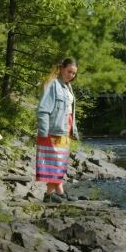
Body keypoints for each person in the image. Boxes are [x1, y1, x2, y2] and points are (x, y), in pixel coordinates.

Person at [36, 58, 79, 203]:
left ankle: (54, 193)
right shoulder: (53, 84)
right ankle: (53, 193)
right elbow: (43, 110)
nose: (71, 75)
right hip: (53, 129)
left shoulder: (67, 86)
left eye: (73, 73)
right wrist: (43, 131)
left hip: (65, 128)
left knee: (60, 162)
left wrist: (73, 130)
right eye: (69, 71)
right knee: (55, 162)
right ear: (61, 68)